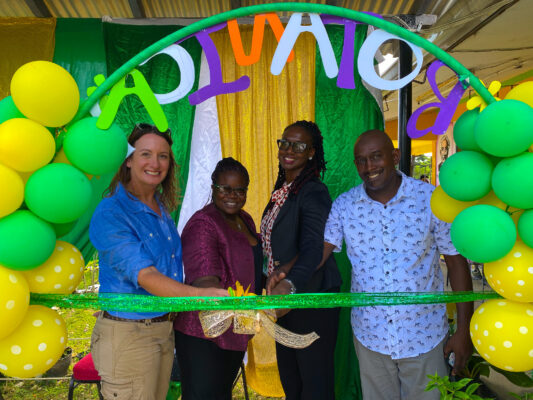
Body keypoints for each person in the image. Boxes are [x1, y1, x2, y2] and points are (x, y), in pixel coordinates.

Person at [322, 129, 473, 400]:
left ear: (395, 156)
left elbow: (456, 262)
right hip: (371, 337)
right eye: (361, 160)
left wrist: (464, 331)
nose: (369, 167)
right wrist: (286, 278)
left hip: (424, 335)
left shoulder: (432, 200)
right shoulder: (345, 205)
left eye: (376, 157)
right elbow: (319, 254)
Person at [89, 123, 227, 400]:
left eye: (163, 156)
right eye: (145, 154)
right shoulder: (112, 211)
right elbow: (146, 276)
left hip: (162, 330)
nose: (155, 163)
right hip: (128, 335)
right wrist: (201, 296)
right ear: (128, 160)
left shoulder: (160, 206)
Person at [263, 120, 342, 400]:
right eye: (284, 142)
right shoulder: (284, 190)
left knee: (314, 384)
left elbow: (314, 247)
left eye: (298, 145)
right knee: (291, 380)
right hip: (286, 300)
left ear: (311, 152)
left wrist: (290, 284)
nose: (288, 149)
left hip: (310, 298)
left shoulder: (313, 192)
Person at [174, 157, 262, 400]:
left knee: (221, 394)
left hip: (237, 327)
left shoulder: (245, 220)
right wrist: (216, 293)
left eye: (240, 190)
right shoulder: (203, 223)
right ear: (213, 188)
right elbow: (203, 278)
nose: (232, 195)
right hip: (203, 333)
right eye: (225, 189)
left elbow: (252, 267)